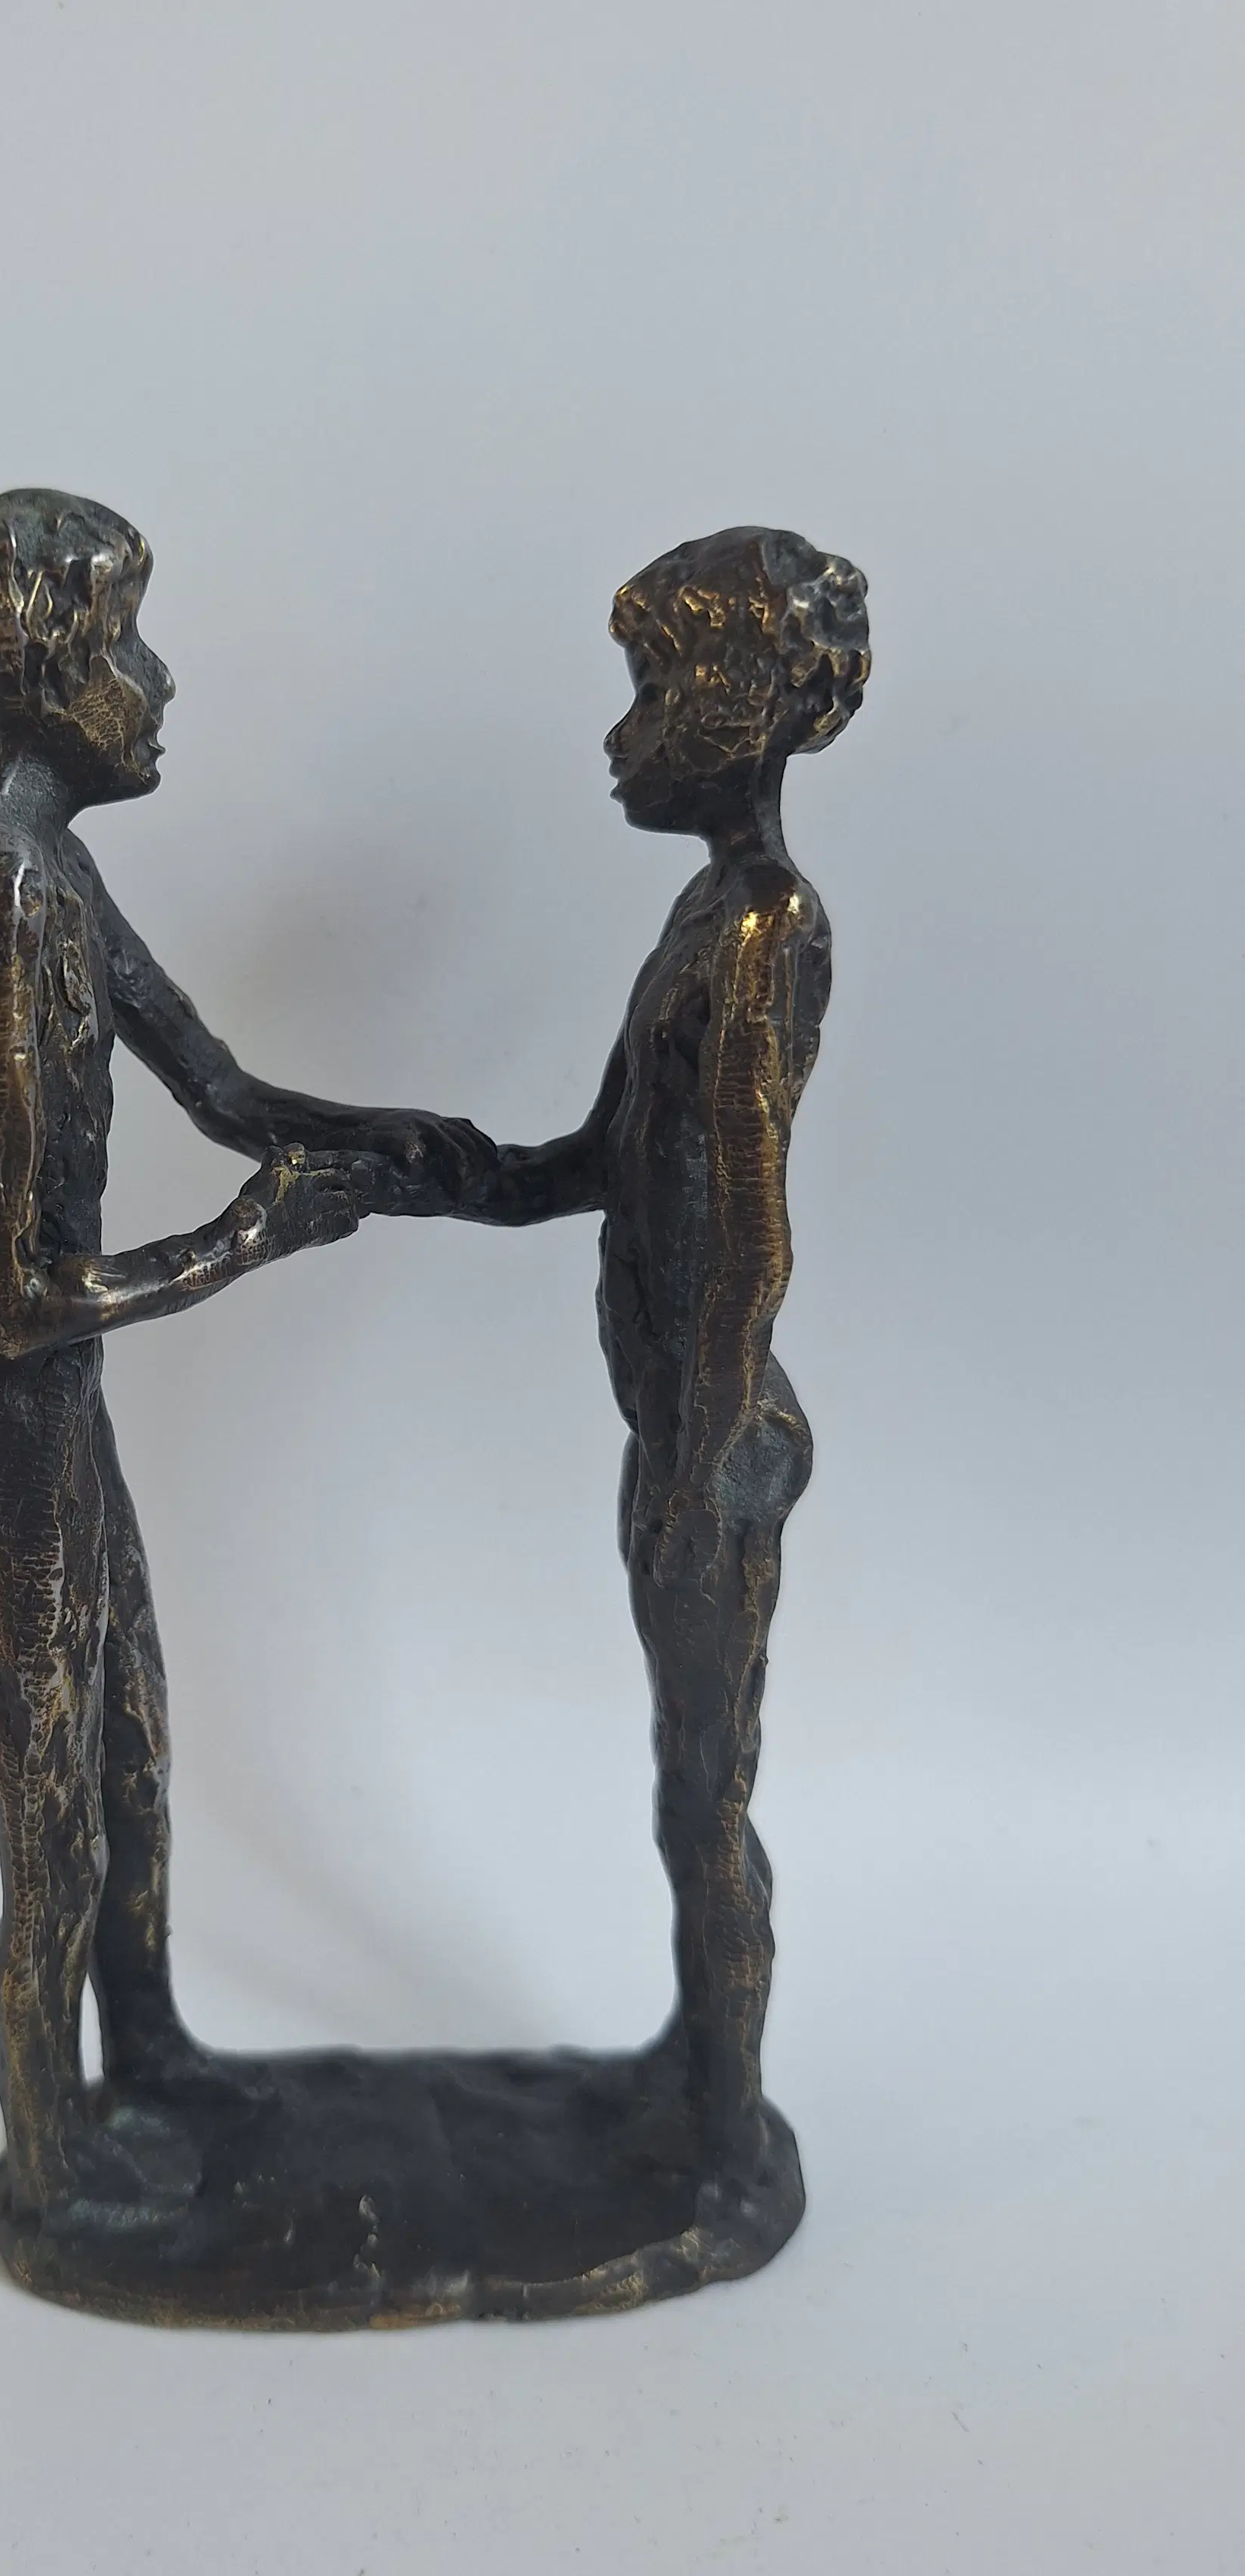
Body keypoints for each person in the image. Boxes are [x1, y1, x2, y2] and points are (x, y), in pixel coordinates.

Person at [0, 488, 486, 2227]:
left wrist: (414, 1148)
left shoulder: (57, 871)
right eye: (124, 645)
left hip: (58, 1402)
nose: (155, 683)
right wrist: (257, 1235)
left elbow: (222, 1086)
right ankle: (59, 2143)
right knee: (56, 1800)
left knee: (133, 1744)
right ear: (44, 667)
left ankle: (150, 2052)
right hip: (21, 1404)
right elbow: (19, 1291)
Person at [463, 527, 869, 2204]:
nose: (621, 735)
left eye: (649, 691)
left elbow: (753, 1235)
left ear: (741, 702)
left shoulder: (767, 926)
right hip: (677, 1429)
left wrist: (702, 1466)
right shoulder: (706, 918)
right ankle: (698, 2067)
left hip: (717, 1440)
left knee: (709, 1788)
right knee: (682, 1776)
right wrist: (401, 1162)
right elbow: (599, 1160)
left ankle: (720, 2125)